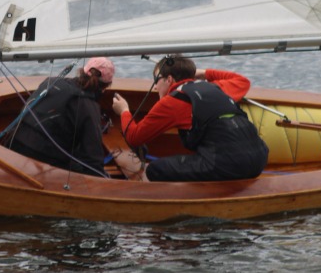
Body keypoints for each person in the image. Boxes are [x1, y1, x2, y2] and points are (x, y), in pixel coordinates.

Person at [111, 55, 268, 182]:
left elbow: (134, 137)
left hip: (227, 164)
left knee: (154, 169)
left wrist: (124, 111)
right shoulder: (215, 87)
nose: (156, 87)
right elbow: (242, 81)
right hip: (259, 158)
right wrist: (204, 73)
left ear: (169, 80)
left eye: (156, 80)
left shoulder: (172, 102)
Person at [6, 57, 115, 176]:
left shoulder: (51, 82)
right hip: (42, 164)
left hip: (13, 147)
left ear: (82, 71)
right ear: (105, 87)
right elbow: (93, 158)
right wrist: (102, 178)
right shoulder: (89, 107)